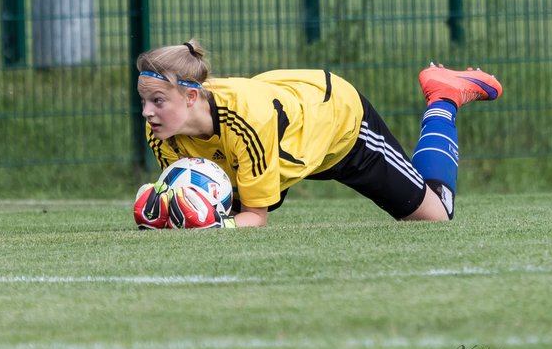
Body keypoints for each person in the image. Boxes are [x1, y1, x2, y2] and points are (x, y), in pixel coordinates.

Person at [133, 39, 502, 229]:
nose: (148, 112)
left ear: (192, 95)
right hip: (290, 133)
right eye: (144, 100)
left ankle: (444, 95)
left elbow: (255, 217)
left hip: (336, 123)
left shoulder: (246, 120)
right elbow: (198, 200)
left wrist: (208, 225)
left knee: (437, 216)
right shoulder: (163, 131)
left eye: (158, 100)